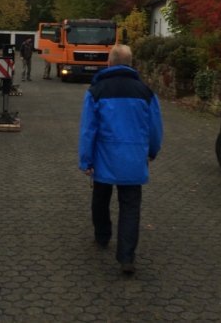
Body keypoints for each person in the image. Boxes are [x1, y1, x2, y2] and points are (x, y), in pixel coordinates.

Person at [77, 44, 163, 275]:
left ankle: (102, 236)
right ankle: (126, 257)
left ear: (109, 63)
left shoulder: (96, 91)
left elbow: (88, 130)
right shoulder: (146, 92)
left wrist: (86, 160)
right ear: (131, 63)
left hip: (104, 157)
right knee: (130, 206)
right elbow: (155, 127)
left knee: (100, 197)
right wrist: (152, 151)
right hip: (133, 159)